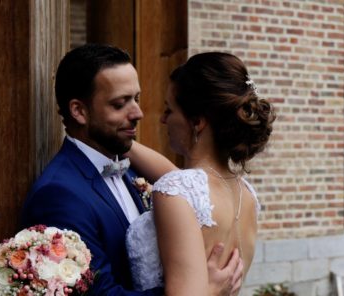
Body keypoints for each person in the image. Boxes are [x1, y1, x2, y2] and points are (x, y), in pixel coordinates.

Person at [21, 44, 243, 295]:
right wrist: (203, 289)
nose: (138, 113)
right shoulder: (59, 195)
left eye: (135, 98)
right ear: (79, 111)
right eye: (120, 104)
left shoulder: (133, 172)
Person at [126, 52, 276, 295]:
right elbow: (174, 176)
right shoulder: (246, 194)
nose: (163, 120)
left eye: (169, 110)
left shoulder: (177, 192)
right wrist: (119, 140)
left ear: (197, 122)